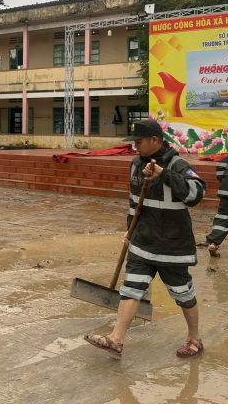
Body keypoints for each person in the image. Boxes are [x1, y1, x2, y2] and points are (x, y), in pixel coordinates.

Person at [84, 120, 207, 359]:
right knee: (131, 289)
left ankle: (194, 338)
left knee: (183, 294)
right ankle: (116, 339)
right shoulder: (135, 164)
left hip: (172, 245)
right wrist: (129, 231)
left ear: (155, 140)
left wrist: (163, 174)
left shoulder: (177, 164)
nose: (134, 148)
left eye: (138, 143)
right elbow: (134, 203)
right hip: (142, 242)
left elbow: (197, 193)